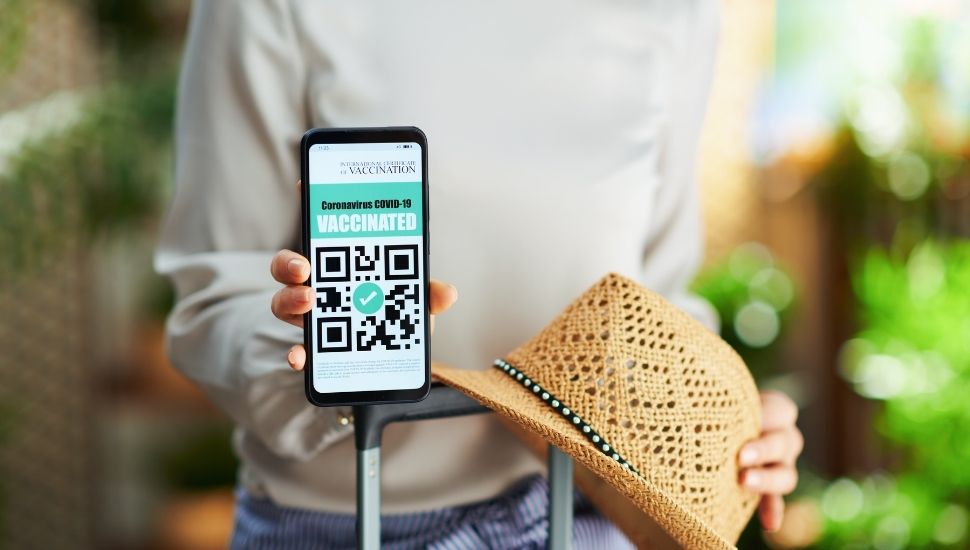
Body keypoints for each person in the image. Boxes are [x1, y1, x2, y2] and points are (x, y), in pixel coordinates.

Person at [156, 1, 804, 547]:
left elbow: (659, 293)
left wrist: (723, 425)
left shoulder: (678, 12)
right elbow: (214, 298)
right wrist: (318, 357)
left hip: (588, 521)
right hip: (352, 521)